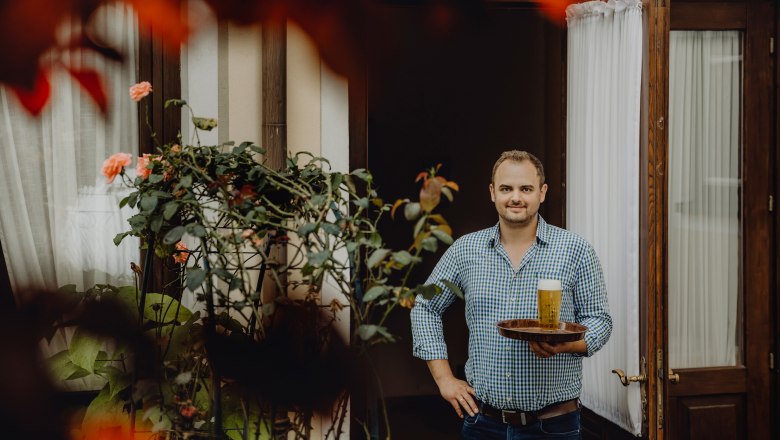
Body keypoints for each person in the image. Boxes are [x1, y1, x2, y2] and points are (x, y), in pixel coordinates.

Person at [411, 150, 612, 439]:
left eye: (526, 189)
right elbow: (425, 306)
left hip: (554, 426)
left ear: (542, 193)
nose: (515, 197)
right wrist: (444, 380)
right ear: (492, 193)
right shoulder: (465, 250)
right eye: (506, 188)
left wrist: (566, 345)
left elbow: (600, 320)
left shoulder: (575, 250)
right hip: (483, 424)